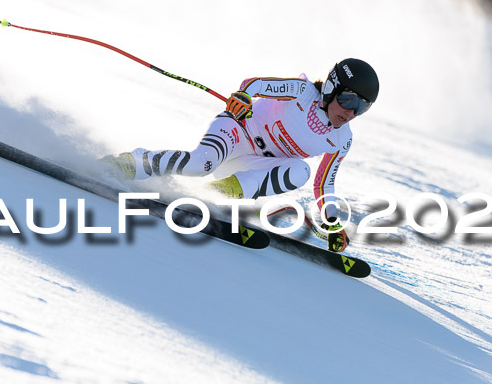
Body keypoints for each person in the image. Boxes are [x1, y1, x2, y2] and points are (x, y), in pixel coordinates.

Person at [102, 58, 380, 252]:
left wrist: (332, 223)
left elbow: (324, 185)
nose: (351, 113)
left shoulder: (341, 140)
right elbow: (254, 84)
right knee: (200, 164)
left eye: (361, 108)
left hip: (252, 166)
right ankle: (130, 163)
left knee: (302, 172)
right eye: (348, 100)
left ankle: (216, 195)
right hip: (239, 131)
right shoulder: (301, 92)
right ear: (331, 87)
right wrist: (243, 98)